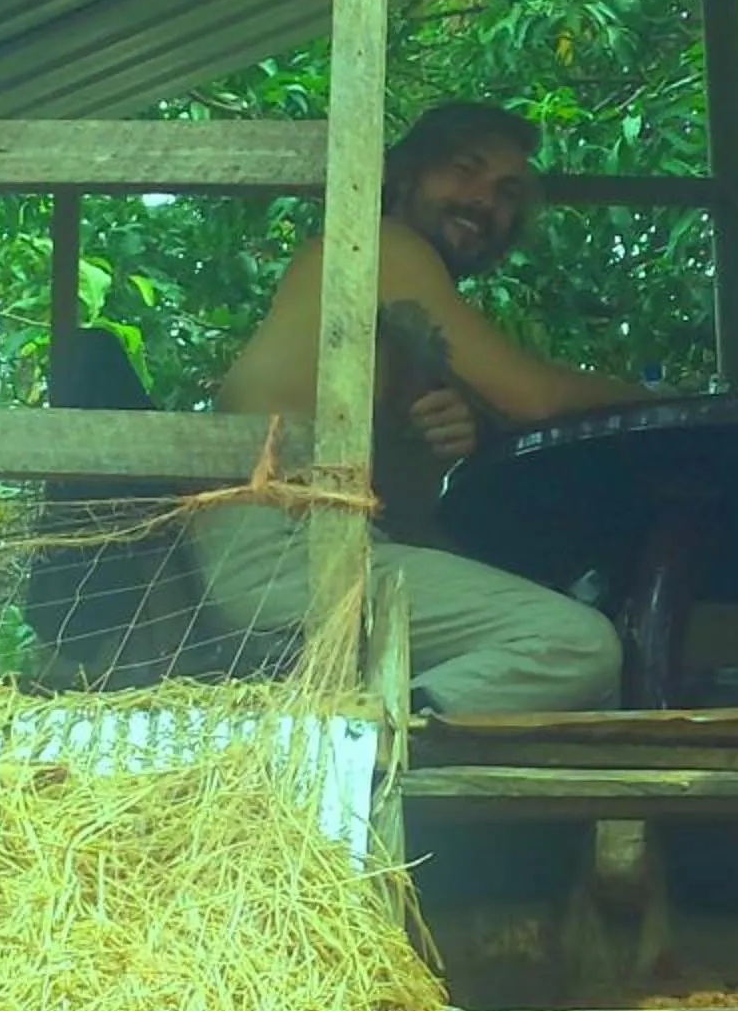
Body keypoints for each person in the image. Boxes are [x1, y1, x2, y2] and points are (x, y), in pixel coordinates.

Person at [198, 102, 647, 713]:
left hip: (317, 551)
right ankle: (351, 735)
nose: (485, 200)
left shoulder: (404, 327)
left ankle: (380, 726)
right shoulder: (378, 244)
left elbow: (402, 521)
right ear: (406, 175)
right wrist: (666, 400)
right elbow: (534, 397)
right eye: (465, 169)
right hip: (274, 549)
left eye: (508, 192)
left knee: (556, 660)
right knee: (574, 645)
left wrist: (436, 441)